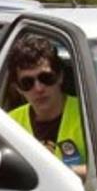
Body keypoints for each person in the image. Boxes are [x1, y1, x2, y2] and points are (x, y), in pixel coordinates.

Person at [7, 35, 87, 179]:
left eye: (46, 78)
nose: (38, 88)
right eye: (27, 83)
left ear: (60, 77)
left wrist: (60, 173)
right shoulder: (9, 123)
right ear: (18, 88)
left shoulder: (89, 115)